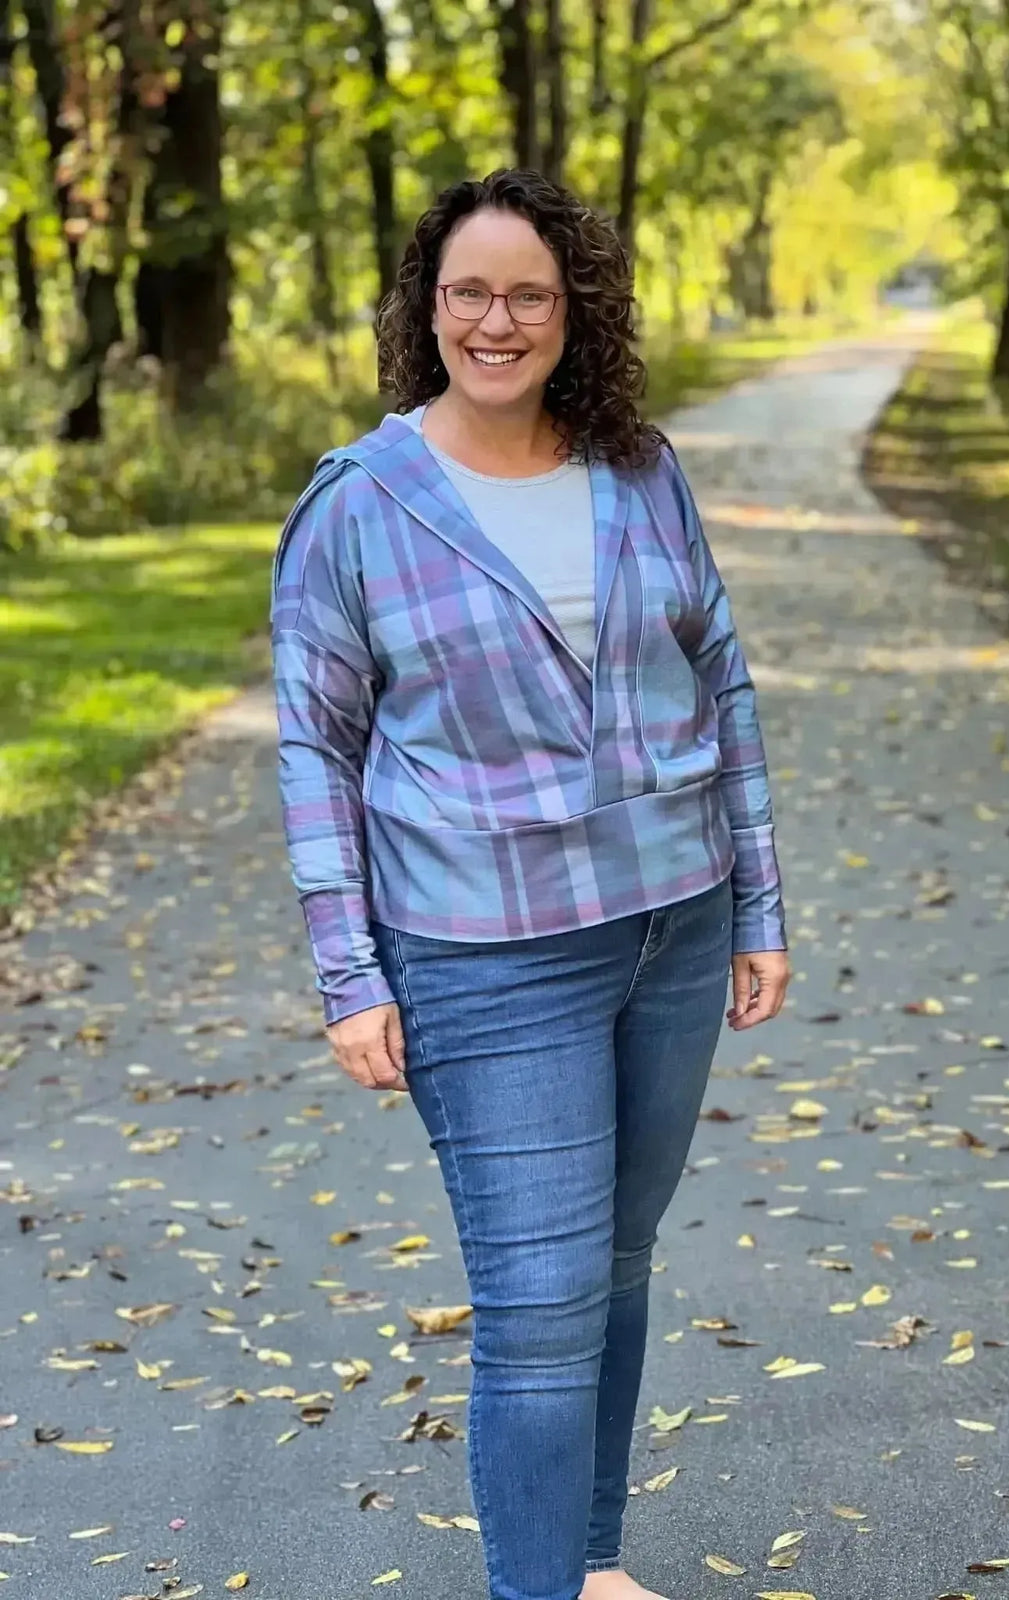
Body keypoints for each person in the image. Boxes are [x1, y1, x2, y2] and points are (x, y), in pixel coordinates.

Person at [270, 168, 789, 1600]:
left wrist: (757, 906)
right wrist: (348, 971)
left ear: (576, 315)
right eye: (468, 292)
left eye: (529, 295)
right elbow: (317, 749)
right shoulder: (363, 504)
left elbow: (724, 683)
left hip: (672, 929)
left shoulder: (639, 467)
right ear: (426, 308)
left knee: (617, 1263)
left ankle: (592, 1563)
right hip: (488, 959)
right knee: (539, 1305)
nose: (496, 321)